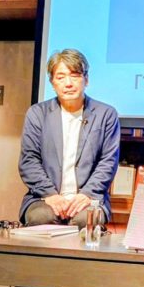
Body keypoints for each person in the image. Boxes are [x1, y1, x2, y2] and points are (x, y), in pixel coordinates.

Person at [18, 49, 120, 228]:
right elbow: (29, 160)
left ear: (86, 79)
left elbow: (108, 162)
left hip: (88, 198)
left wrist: (87, 194)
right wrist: (51, 195)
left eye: (75, 76)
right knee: (41, 217)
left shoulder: (106, 114)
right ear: (52, 82)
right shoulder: (37, 114)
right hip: (44, 197)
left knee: (85, 220)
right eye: (61, 77)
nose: (68, 83)